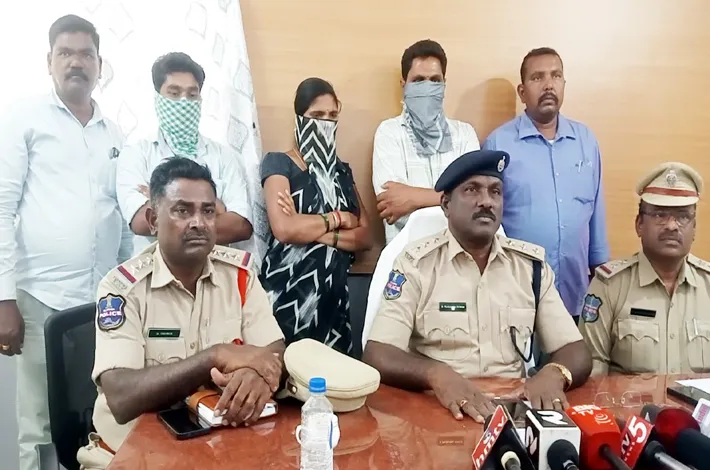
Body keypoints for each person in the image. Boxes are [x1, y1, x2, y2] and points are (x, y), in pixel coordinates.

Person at [77, 157, 285, 469]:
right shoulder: (122, 288)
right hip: (131, 457)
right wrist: (214, 356)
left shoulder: (240, 276)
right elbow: (121, 397)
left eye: (208, 211)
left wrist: (259, 374)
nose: (198, 222)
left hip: (219, 452)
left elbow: (273, 349)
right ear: (153, 220)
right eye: (182, 210)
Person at [363, 149, 592, 422]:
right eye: (472, 190)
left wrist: (554, 373)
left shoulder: (530, 268)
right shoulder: (416, 265)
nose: (487, 201)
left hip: (512, 415)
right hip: (440, 413)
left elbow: (575, 351)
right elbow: (379, 353)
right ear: (446, 204)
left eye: (495, 192)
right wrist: (436, 374)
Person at [0, 15, 131, 470]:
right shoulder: (23, 119)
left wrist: (127, 286)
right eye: (66, 53)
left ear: (99, 64)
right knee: (39, 426)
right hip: (40, 298)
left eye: (86, 54)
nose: (77, 62)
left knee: (94, 416)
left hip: (100, 303)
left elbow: (121, 216)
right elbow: (2, 208)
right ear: (49, 61)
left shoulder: (113, 132)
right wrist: (4, 299)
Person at [483, 47, 609, 322]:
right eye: (537, 77)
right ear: (522, 92)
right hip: (518, 299)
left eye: (556, 76)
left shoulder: (586, 141)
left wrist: (601, 276)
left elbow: (596, 214)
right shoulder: (498, 145)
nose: (549, 85)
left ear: (564, 84)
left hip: (576, 295)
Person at [259, 77, 373, 357]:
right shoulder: (279, 163)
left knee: (334, 377)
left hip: (333, 301)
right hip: (288, 291)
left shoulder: (342, 172)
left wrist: (309, 229)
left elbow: (365, 237)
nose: (325, 122)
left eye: (332, 115)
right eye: (317, 115)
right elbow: (284, 229)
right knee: (284, 373)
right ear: (300, 118)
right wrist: (338, 218)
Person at [116, 52, 256, 258]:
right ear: (158, 98)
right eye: (174, 93)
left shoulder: (223, 157)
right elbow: (140, 221)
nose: (184, 102)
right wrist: (217, 207)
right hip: (155, 272)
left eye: (192, 95)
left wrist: (163, 202)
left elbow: (240, 226)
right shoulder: (136, 153)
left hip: (215, 272)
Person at [580, 162, 710, 375]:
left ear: (694, 228)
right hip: (627, 399)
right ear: (639, 224)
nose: (672, 225)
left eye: (683, 216)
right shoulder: (609, 286)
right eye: (659, 215)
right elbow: (593, 369)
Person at [372, 39, 480, 244]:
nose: (428, 87)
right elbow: (393, 208)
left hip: (460, 256)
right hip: (407, 256)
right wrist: (454, 200)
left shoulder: (465, 134)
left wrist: (413, 198)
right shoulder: (389, 132)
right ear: (404, 85)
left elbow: (475, 202)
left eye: (435, 80)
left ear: (444, 84)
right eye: (419, 80)